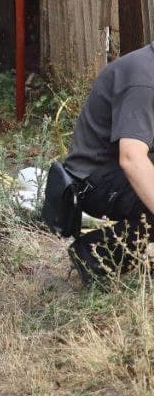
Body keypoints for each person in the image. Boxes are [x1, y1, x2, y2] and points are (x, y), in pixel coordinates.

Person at [60, 45, 154, 285]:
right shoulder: (144, 80)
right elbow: (131, 158)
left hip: (116, 170)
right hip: (93, 179)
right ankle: (94, 254)